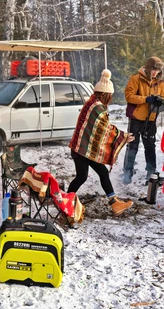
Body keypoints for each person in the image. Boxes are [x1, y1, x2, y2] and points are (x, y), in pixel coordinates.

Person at [67, 69, 134, 216]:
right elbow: (106, 130)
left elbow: (101, 130)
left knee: (102, 172)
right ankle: (66, 202)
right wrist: (123, 136)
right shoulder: (97, 108)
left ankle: (114, 203)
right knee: (82, 177)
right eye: (110, 96)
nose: (111, 98)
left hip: (84, 148)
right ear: (106, 94)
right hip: (81, 150)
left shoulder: (92, 103)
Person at [123, 57, 164, 185]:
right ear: (147, 67)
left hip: (151, 119)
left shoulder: (160, 82)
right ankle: (127, 172)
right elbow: (129, 96)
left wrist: (160, 101)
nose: (155, 73)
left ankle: (151, 172)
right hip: (136, 118)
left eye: (158, 70)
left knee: (150, 146)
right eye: (153, 70)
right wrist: (146, 99)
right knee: (133, 145)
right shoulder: (136, 79)